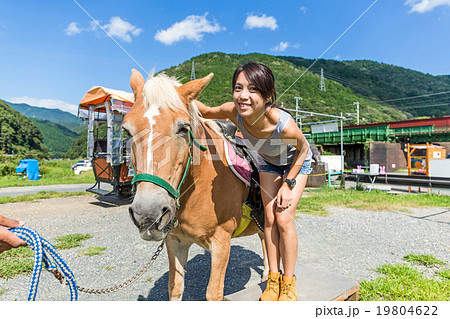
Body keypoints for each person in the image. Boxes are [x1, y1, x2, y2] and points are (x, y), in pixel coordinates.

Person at [196, 61, 312, 301]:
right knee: (268, 218)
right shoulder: (234, 113)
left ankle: (289, 284)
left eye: (253, 89)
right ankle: (273, 279)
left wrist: (289, 185)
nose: (243, 96)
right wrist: (176, 97)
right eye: (238, 88)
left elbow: (303, 150)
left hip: (296, 164)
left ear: (268, 95)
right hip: (269, 162)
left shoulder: (284, 125)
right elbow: (206, 111)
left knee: (283, 218)